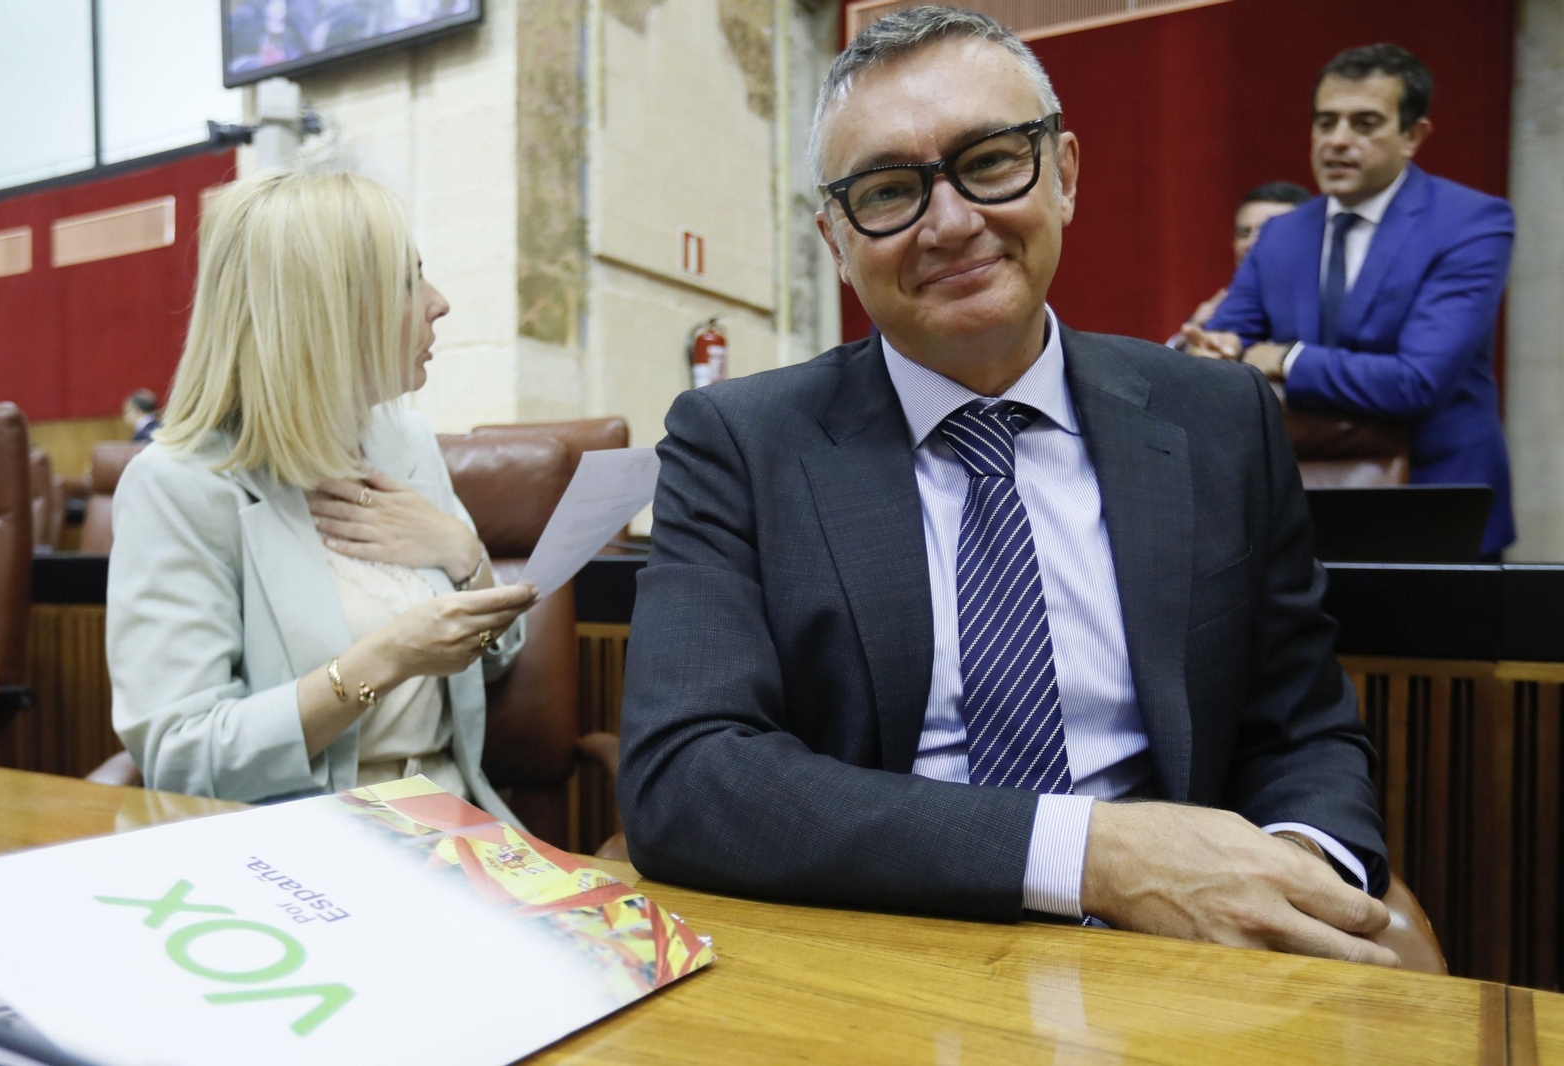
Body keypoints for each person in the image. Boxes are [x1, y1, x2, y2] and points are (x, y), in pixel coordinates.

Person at [617, 7, 1397, 966]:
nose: (950, 224)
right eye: (890, 190)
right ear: (834, 237)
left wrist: (1288, 876)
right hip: (884, 951)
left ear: (1064, 173)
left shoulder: (1219, 417)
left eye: (990, 161)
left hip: (1186, 957)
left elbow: (1303, 726)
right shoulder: (738, 441)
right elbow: (686, 775)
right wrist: (1088, 854)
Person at [107, 170, 537, 816]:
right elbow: (183, 756)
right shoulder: (178, 487)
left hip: (458, 822)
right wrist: (383, 660)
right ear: (323, 312)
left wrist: (465, 554)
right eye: (406, 282)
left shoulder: (407, 442)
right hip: (300, 846)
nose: (439, 301)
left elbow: (497, 659)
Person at [1189, 44, 1515, 557]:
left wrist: (1286, 358)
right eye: (1326, 122)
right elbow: (1227, 345)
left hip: (1435, 507)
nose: (1338, 141)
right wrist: (1207, 357)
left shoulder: (1472, 223)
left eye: (1364, 123)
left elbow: (1417, 383)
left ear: (1413, 136)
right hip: (1300, 505)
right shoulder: (1281, 235)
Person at [1168, 182, 1310, 348]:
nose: (1251, 243)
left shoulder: (1321, 312)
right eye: (1244, 233)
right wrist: (1190, 338)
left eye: (1268, 233)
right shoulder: (1218, 313)